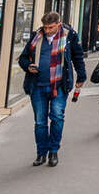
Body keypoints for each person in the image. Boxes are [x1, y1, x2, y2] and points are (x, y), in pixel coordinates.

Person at [17, 12, 86, 167]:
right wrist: (28, 66)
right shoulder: (36, 36)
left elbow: (78, 57)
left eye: (51, 27)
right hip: (37, 86)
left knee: (57, 117)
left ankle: (53, 151)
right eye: (45, 27)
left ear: (58, 24)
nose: (47, 31)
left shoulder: (69, 36)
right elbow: (22, 58)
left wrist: (81, 77)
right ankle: (41, 153)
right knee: (40, 122)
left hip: (59, 85)